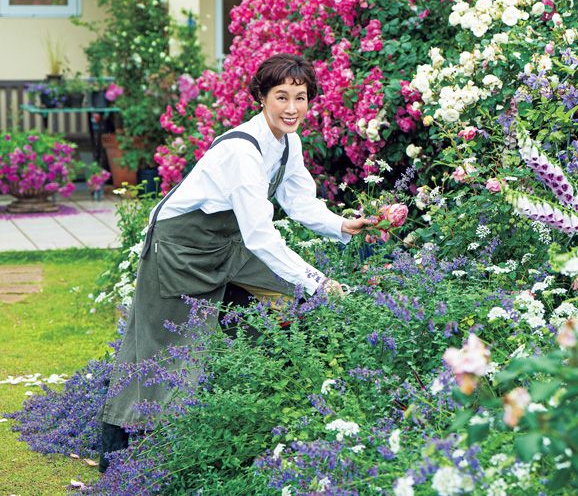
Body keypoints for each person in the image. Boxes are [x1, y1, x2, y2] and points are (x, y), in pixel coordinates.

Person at [97, 53, 372, 471]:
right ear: (261, 97)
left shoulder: (287, 142)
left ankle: (268, 405)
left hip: (229, 243)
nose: (292, 108)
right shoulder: (243, 152)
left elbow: (297, 201)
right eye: (281, 97)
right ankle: (116, 443)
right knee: (161, 345)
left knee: (296, 299)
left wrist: (340, 225)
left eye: (301, 97)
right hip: (182, 248)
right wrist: (317, 279)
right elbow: (261, 235)